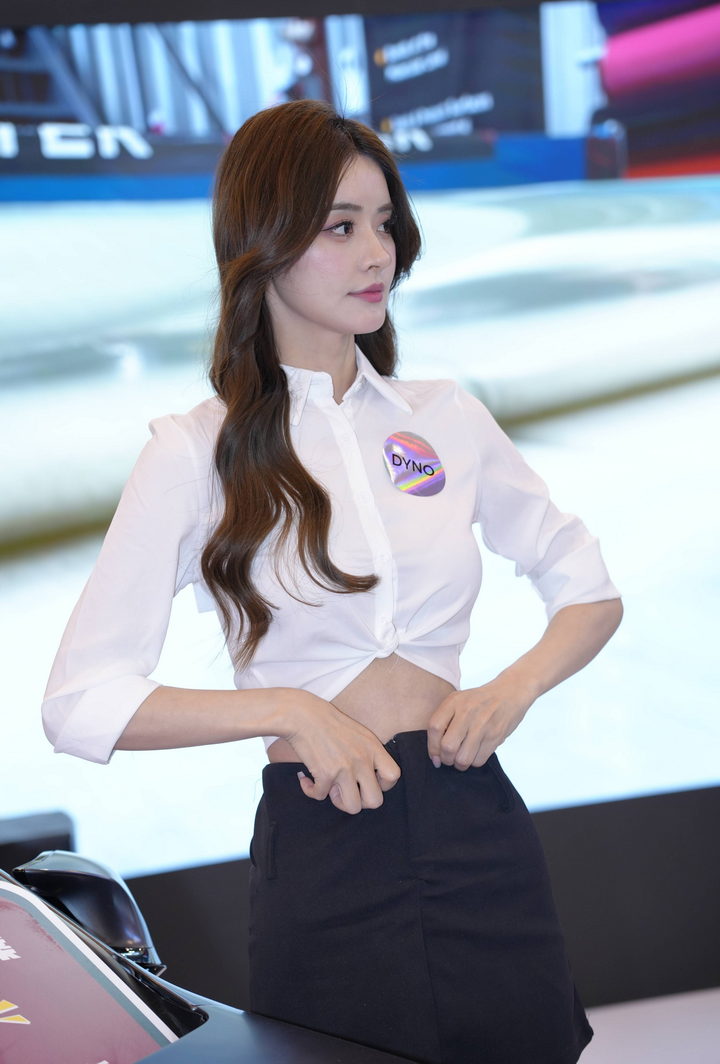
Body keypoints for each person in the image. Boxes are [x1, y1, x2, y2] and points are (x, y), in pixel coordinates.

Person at [43, 99, 623, 1063]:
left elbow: (588, 587)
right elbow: (79, 703)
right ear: (264, 243)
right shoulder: (197, 452)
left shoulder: (444, 416)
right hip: (325, 846)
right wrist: (289, 711)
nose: (377, 254)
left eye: (385, 223)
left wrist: (512, 688)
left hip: (478, 828)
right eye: (340, 227)